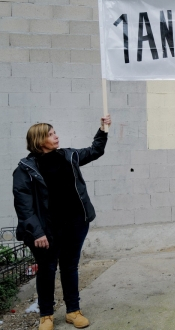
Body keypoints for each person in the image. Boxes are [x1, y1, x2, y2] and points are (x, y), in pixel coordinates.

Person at [13, 116, 111, 330]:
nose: (55, 136)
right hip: (46, 230)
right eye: (50, 134)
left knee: (69, 267)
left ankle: (73, 311)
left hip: (76, 223)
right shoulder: (25, 169)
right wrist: (37, 232)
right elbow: (24, 206)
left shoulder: (69, 156)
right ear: (39, 141)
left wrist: (103, 130)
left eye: (54, 132)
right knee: (47, 269)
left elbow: (95, 151)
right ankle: (46, 315)